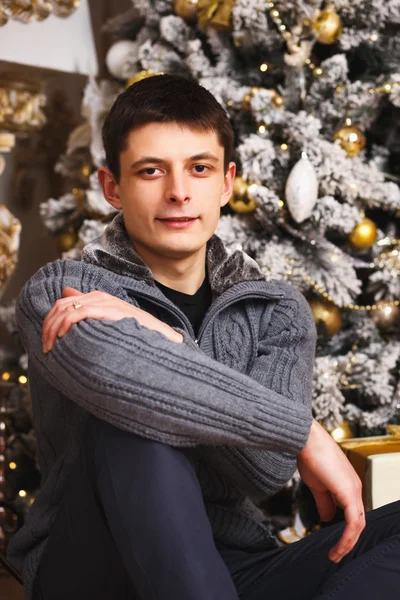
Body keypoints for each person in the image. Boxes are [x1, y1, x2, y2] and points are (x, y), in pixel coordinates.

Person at [8, 74, 400, 600]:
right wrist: (304, 430)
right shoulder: (64, 290)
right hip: (97, 569)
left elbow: (264, 467)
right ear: (112, 188)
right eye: (151, 171)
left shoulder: (276, 309)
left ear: (226, 182)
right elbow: (125, 386)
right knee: (135, 420)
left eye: (199, 168)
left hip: (236, 568)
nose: (178, 192)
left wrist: (163, 337)